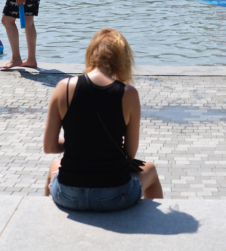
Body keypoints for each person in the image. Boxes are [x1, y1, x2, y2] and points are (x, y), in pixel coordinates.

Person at [42, 28, 163, 210]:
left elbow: (49, 147)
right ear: (122, 59)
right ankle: (150, 222)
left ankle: (45, 218)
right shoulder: (129, 94)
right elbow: (130, 153)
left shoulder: (63, 88)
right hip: (116, 194)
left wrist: (81, 143)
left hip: (69, 194)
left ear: (91, 54)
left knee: (54, 164)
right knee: (150, 170)